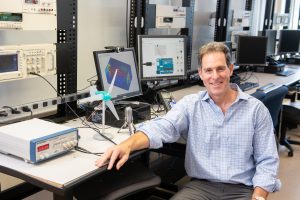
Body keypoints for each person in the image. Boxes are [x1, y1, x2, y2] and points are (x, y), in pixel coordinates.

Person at [95, 42, 281, 200]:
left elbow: (267, 161)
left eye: (220, 69)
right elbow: (162, 127)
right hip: (201, 188)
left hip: (242, 189)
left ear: (230, 69)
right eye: (208, 70)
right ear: (200, 73)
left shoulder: (256, 110)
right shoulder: (191, 105)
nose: (215, 76)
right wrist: (127, 145)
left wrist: (258, 196)